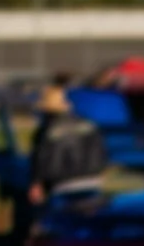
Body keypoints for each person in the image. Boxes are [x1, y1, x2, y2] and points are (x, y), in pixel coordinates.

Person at [29, 77, 109, 211]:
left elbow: (43, 159)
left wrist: (38, 183)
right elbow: (101, 152)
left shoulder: (47, 130)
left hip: (62, 183)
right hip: (92, 180)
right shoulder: (90, 125)